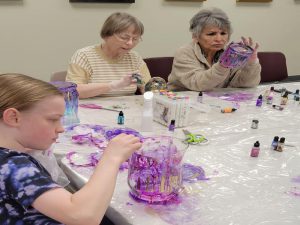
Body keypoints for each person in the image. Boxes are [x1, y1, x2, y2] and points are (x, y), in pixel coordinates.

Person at [0, 73, 142, 224]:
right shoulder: (13, 166)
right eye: (53, 120)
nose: (60, 129)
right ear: (13, 118)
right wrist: (112, 157)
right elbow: (83, 216)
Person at [167, 7, 261, 91]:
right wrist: (223, 65)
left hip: (214, 103)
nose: (219, 39)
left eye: (223, 33)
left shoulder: (228, 53)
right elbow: (199, 84)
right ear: (195, 36)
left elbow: (245, 84)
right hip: (181, 103)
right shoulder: (184, 53)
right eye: (211, 34)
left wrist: (251, 63)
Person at [66, 12, 151, 98]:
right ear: (106, 35)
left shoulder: (135, 58)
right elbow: (72, 92)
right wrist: (113, 85)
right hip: (92, 109)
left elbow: (149, 89)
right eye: (124, 37)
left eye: (135, 39)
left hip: (128, 109)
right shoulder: (84, 56)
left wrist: (145, 87)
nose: (130, 43)